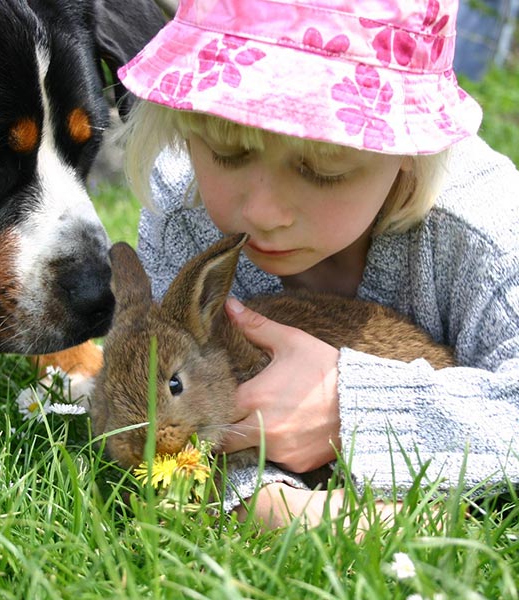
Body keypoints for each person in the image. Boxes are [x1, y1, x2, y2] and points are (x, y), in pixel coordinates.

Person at [115, 0, 519, 529]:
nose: (262, 211)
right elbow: (186, 424)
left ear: (412, 151)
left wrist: (347, 411)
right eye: (227, 153)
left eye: (323, 170)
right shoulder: (182, 207)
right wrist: (262, 499)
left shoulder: (484, 232)